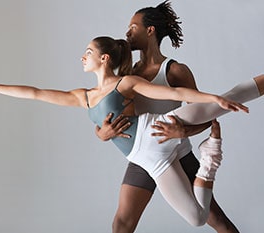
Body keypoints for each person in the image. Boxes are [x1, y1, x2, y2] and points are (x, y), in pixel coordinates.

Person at [0, 36, 264, 227]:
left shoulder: (126, 83)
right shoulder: (82, 96)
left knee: (233, 97)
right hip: (147, 159)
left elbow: (171, 95)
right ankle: (209, 160)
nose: (82, 57)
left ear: (104, 58)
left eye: (87, 52)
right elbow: (36, 93)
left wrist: (213, 99)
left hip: (157, 130)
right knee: (198, 219)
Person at [93, 1, 240, 232]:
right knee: (122, 223)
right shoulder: (127, 73)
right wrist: (102, 133)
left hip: (178, 153)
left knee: (217, 221)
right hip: (144, 154)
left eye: (133, 27)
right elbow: (103, 110)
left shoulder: (174, 70)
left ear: (149, 31)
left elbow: (204, 115)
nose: (127, 33)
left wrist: (184, 132)